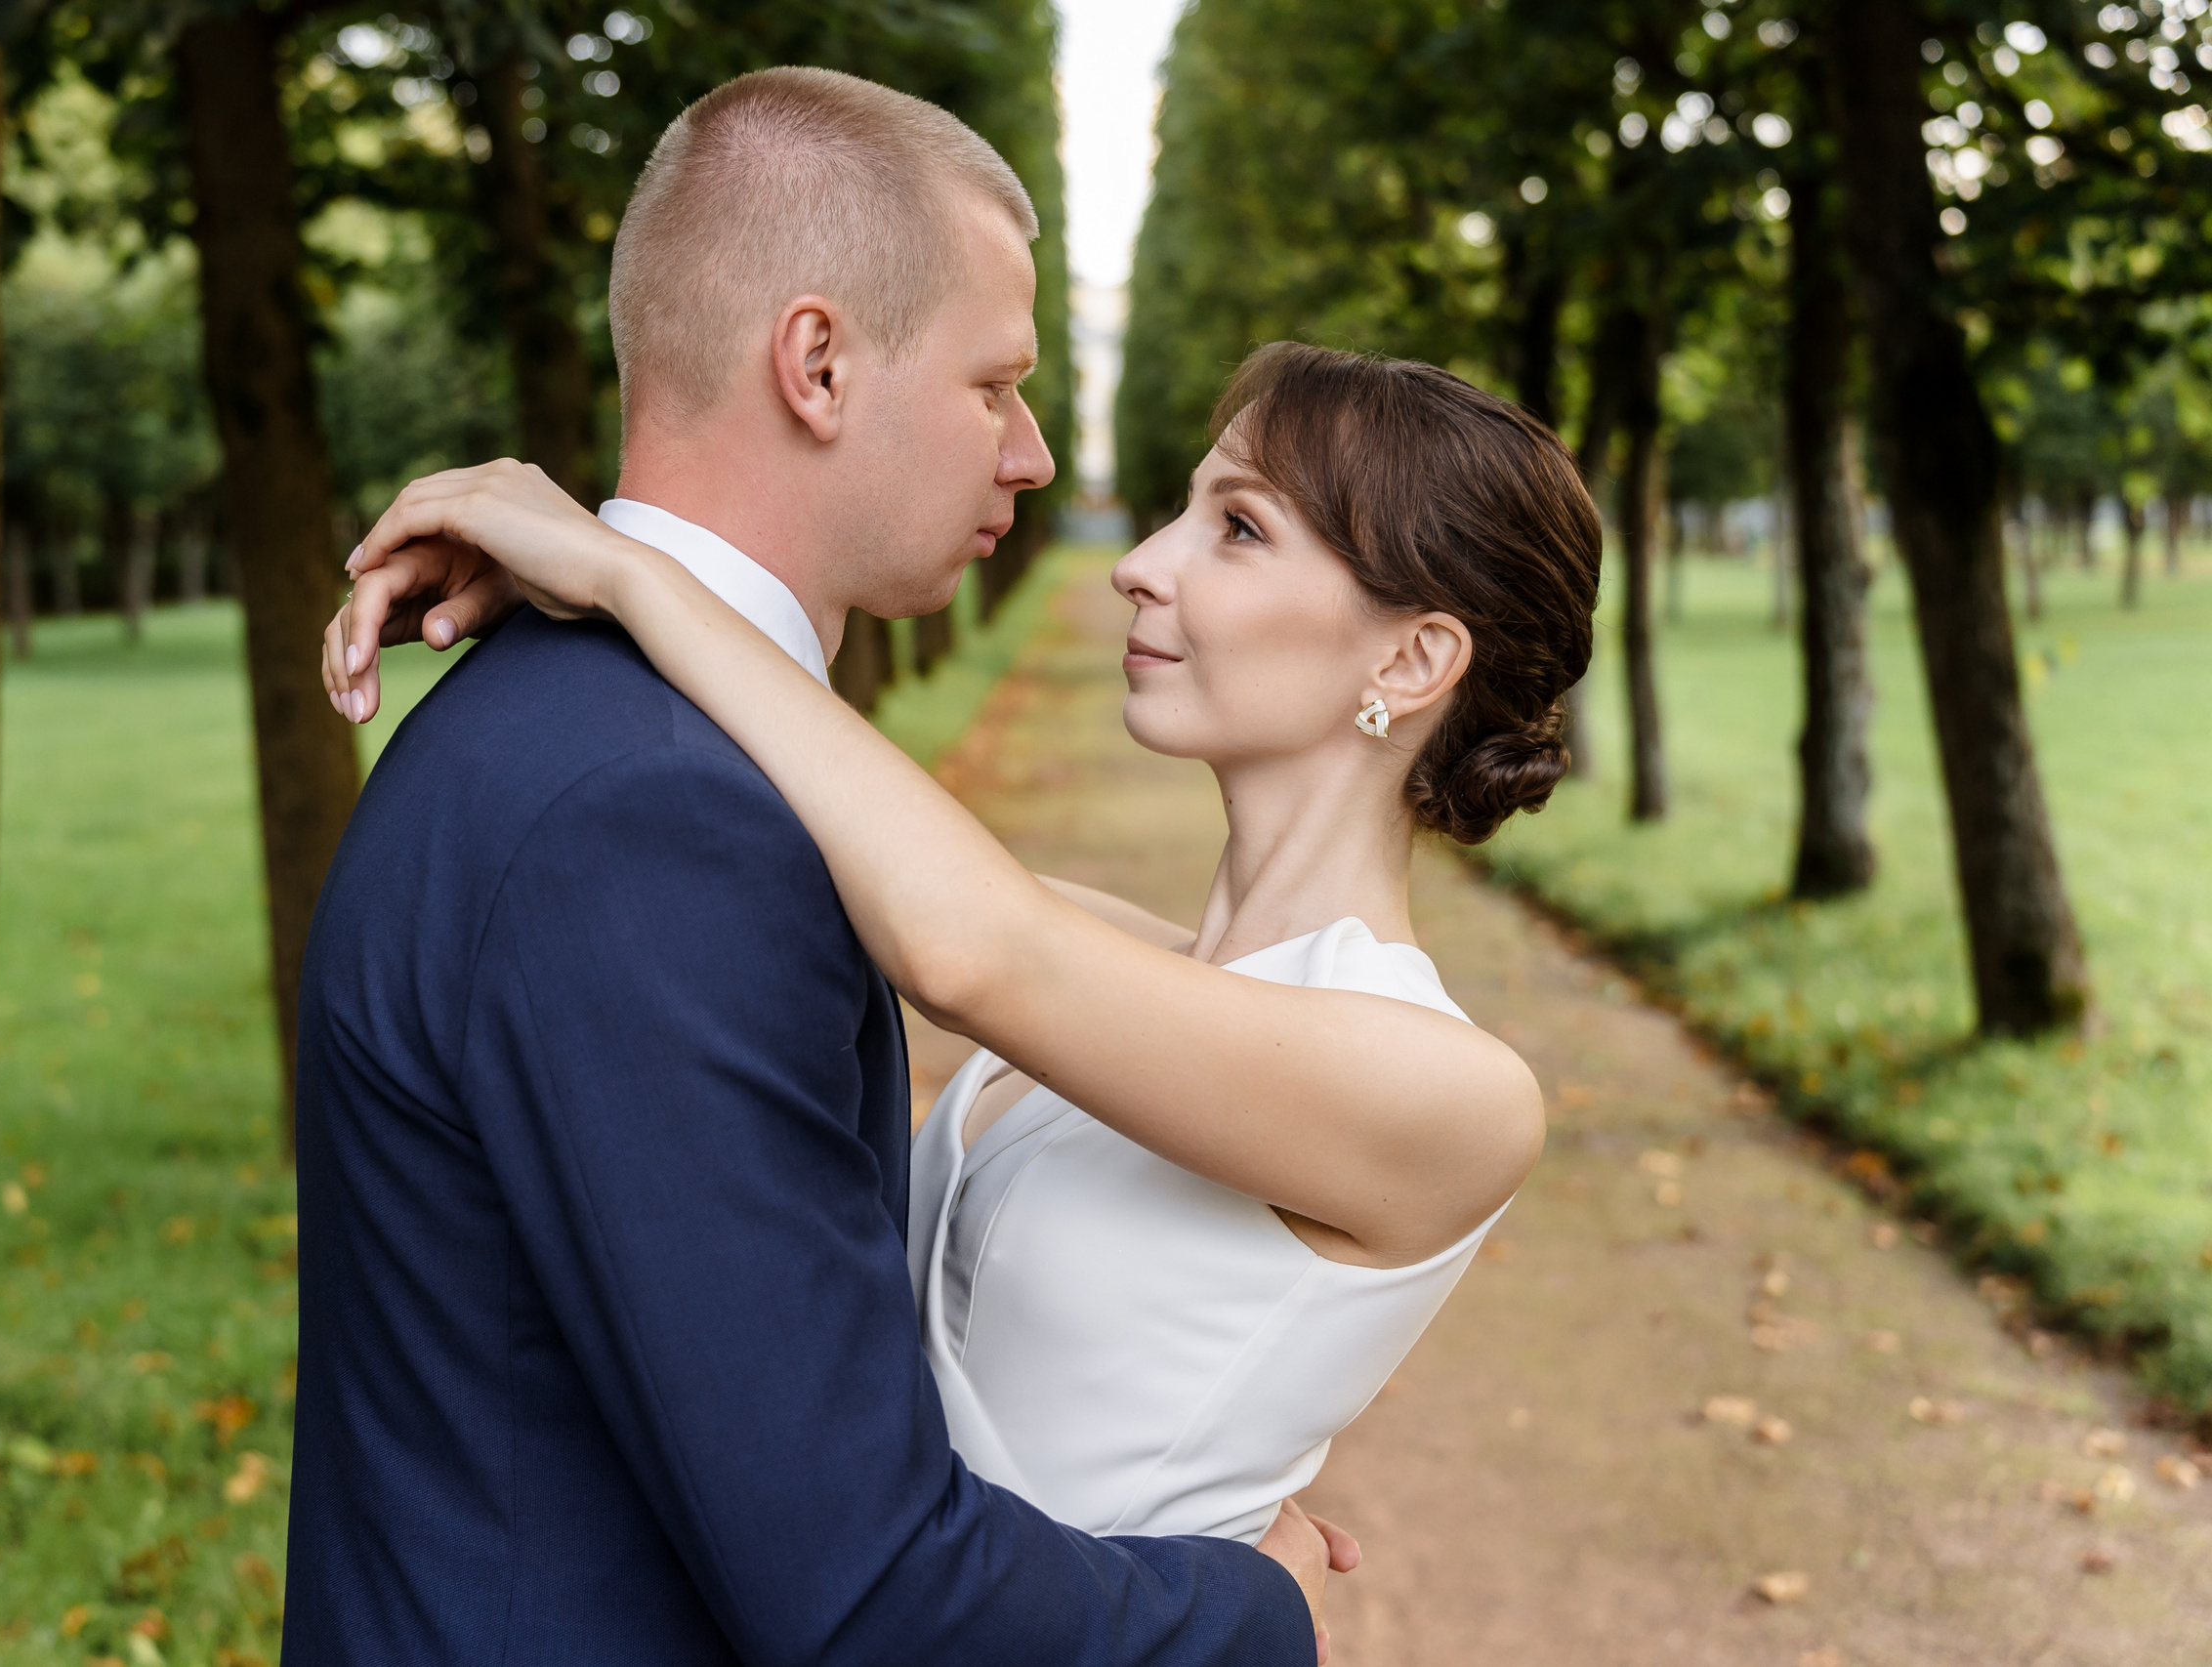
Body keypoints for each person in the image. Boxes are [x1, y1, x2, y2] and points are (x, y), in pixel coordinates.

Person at [284, 67, 1352, 1667]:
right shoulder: (649, 816)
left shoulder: (607, 734)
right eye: (996, 385)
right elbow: (866, 1598)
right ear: (819, 363)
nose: (1038, 455)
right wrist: (1263, 1610)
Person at [326, 341, 1602, 1588]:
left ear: (1412, 659)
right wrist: (574, 618)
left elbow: (964, 946)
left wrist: (626, 575)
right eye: (1185, 513)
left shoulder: (1455, 1095)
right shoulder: (1127, 957)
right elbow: (795, 822)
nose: (1143, 567)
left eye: (1241, 529)